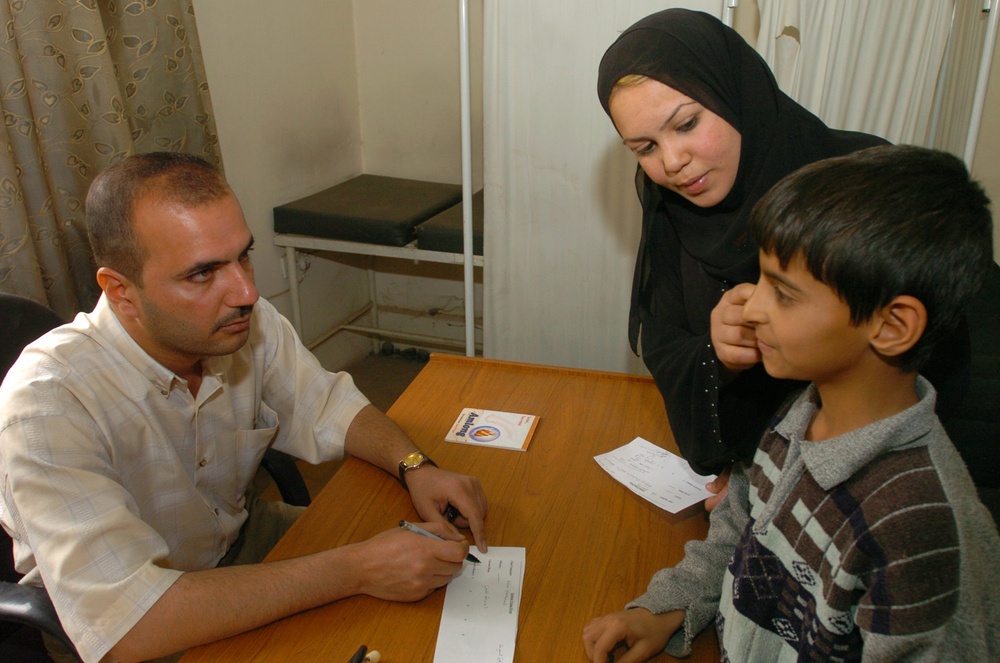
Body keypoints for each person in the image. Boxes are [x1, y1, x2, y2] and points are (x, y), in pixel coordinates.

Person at [0, 152, 488, 663]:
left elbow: (326, 404)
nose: (247, 291)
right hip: (144, 623)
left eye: (243, 256)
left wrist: (415, 466)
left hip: (238, 546)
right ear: (121, 291)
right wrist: (357, 569)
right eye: (203, 274)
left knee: (442, 587)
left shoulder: (239, 322)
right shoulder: (47, 404)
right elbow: (129, 624)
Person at [582, 145, 1000, 662]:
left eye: (782, 292)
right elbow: (744, 526)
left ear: (892, 326)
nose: (750, 306)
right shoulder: (797, 413)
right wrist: (669, 606)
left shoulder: (922, 530)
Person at [596, 9, 1000, 511]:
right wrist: (718, 355)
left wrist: (785, 485)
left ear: (735, 93)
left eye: (687, 124)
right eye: (646, 147)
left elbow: (924, 375)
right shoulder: (677, 215)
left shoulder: (859, 190)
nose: (672, 162)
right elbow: (668, 345)